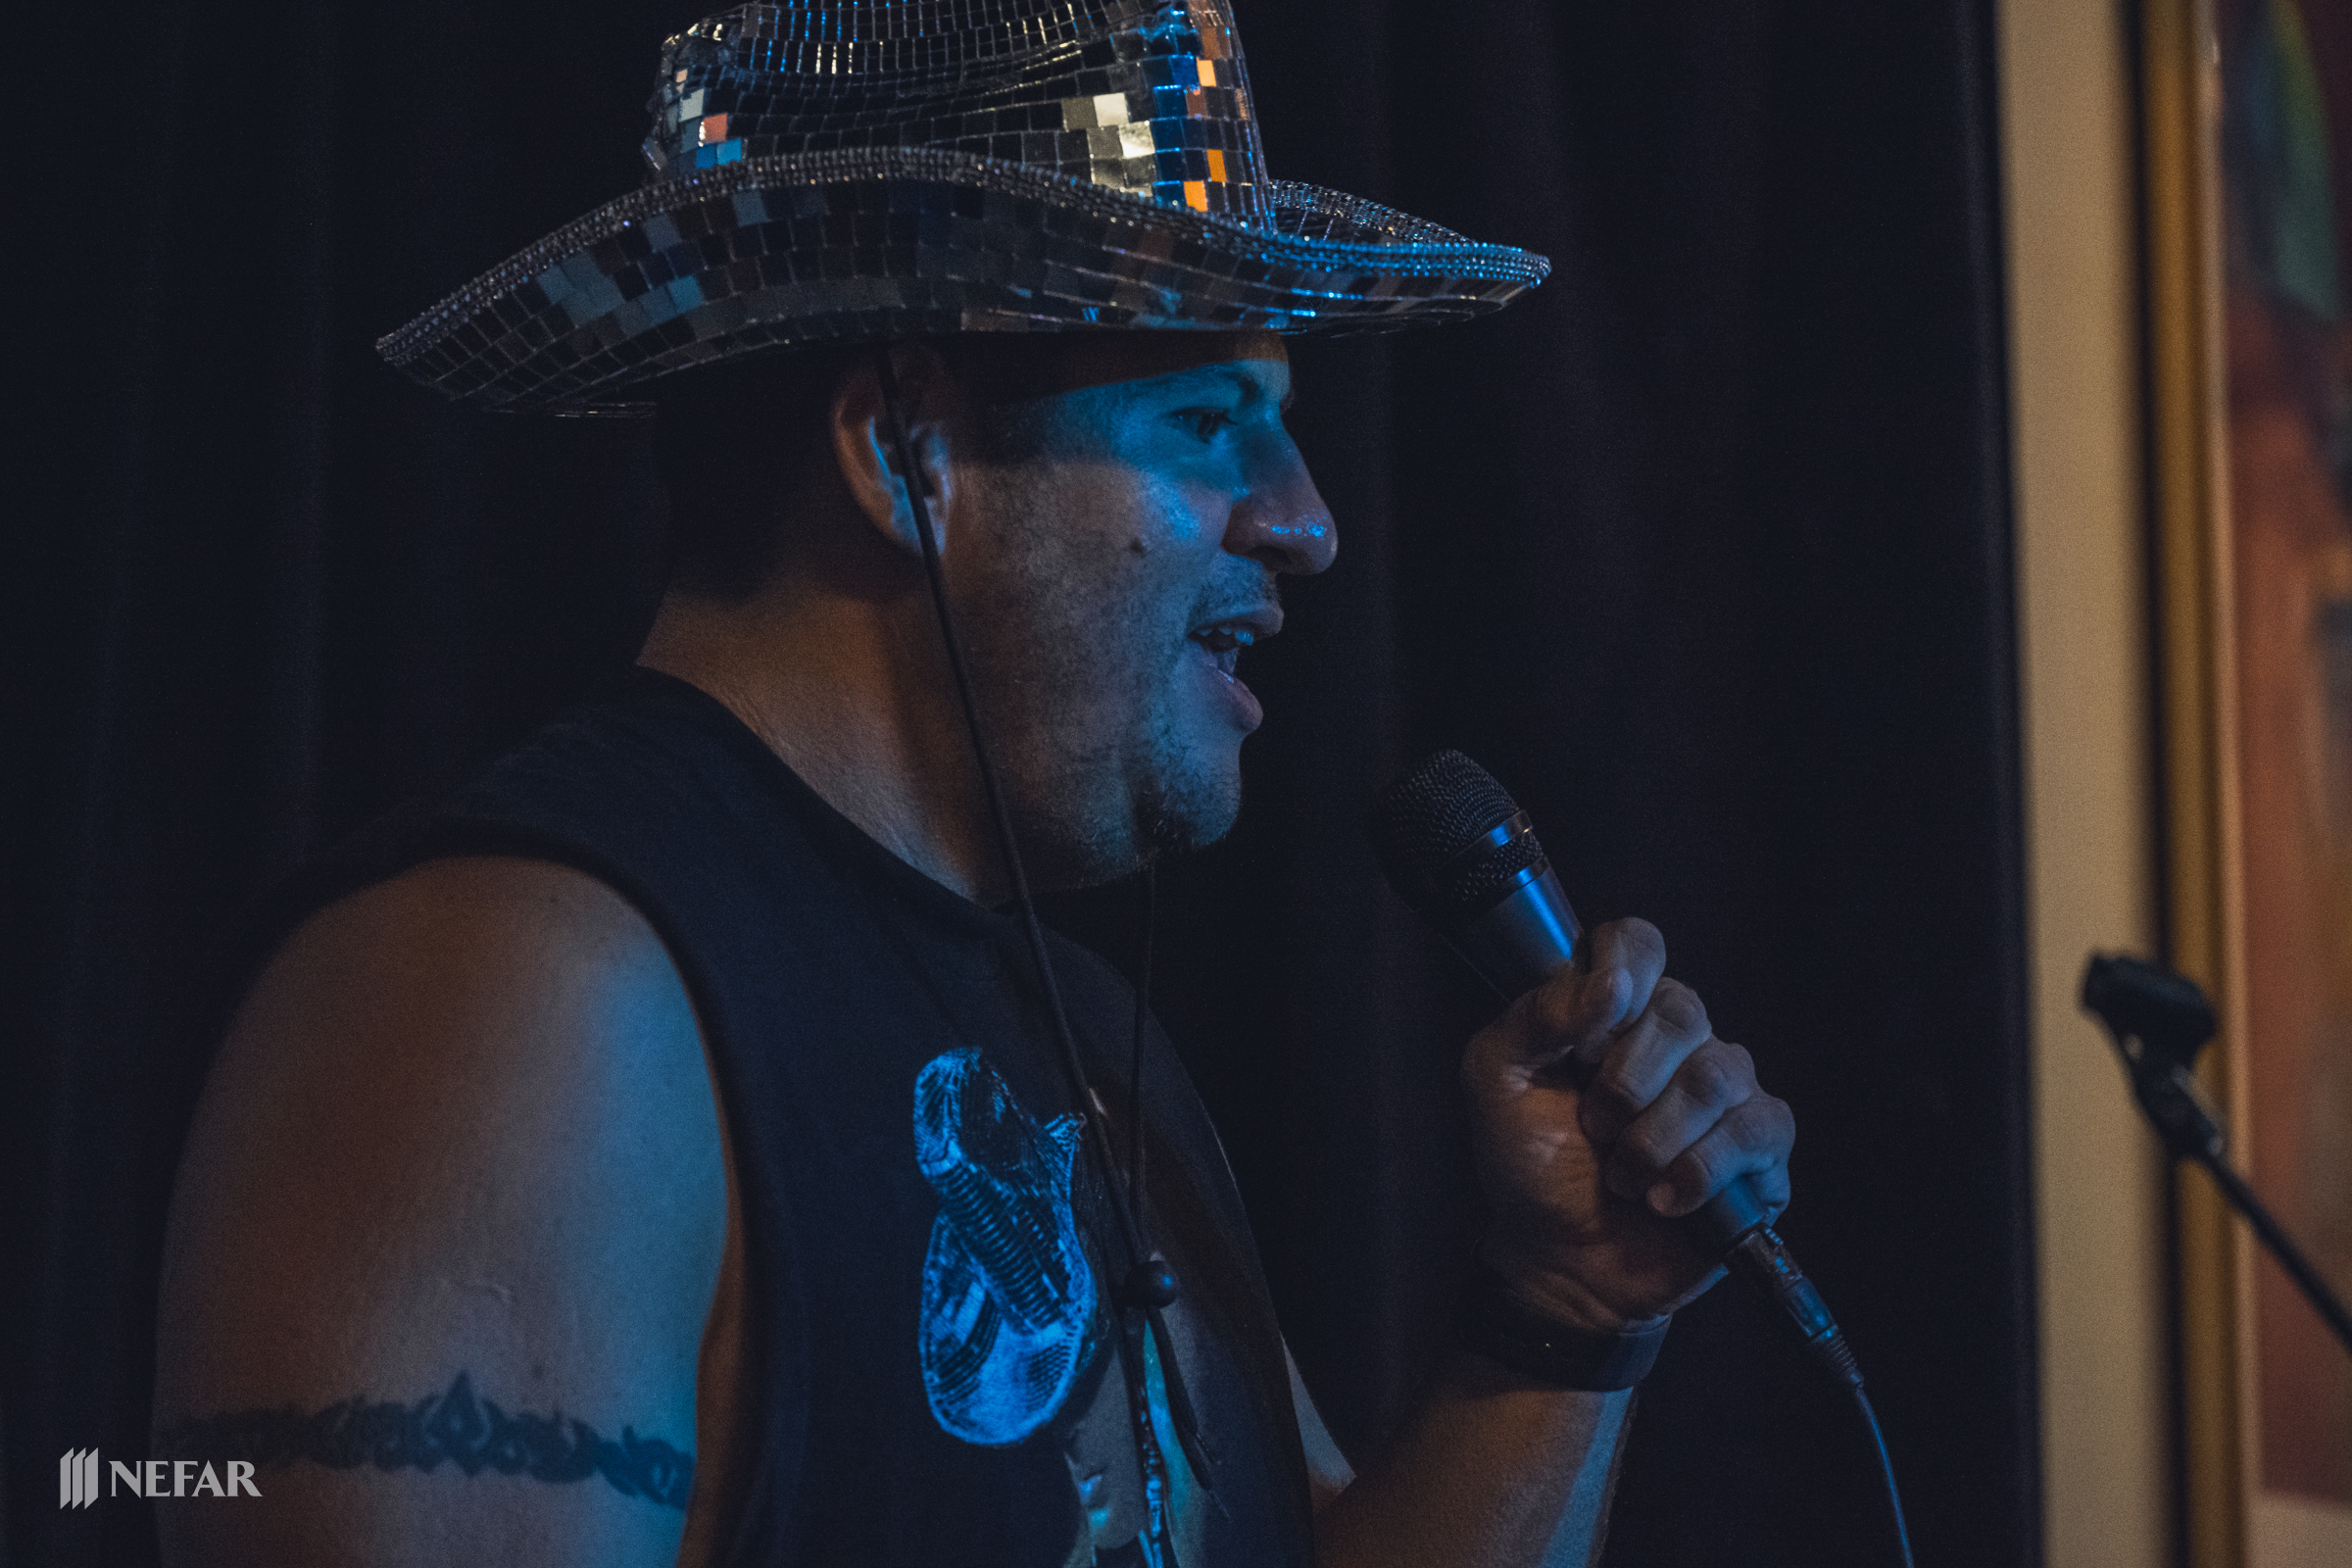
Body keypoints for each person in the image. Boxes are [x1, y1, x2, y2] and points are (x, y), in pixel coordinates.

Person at [153, 5, 1796, 1566]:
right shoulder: (528, 991)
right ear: (905, 452)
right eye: (1206, 418)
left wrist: (1563, 1319)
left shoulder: (1084, 1040)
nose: (1306, 522)